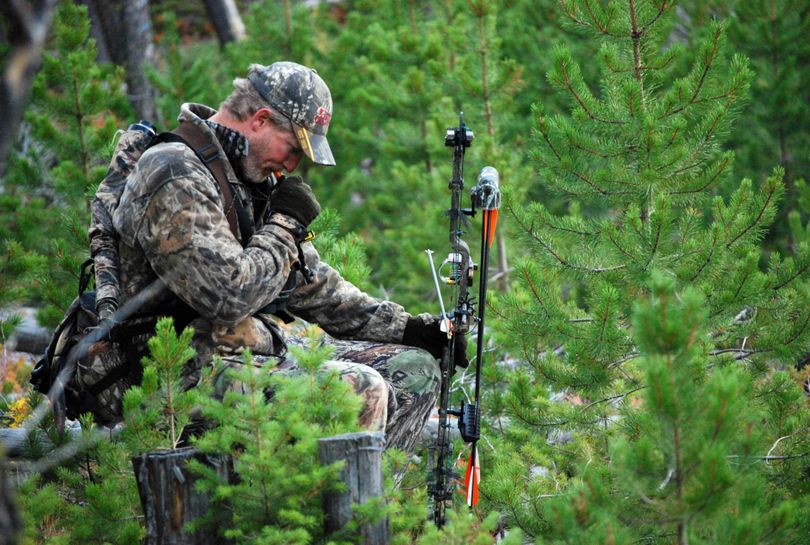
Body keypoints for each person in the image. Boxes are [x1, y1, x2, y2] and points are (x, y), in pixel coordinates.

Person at [108, 62, 465, 452]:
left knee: (414, 370)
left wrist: (408, 328)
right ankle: (340, 509)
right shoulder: (176, 172)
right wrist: (284, 223)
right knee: (360, 390)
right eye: (293, 148)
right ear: (260, 120)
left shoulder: (245, 175)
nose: (293, 166)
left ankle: (345, 500)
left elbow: (309, 283)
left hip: (241, 351)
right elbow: (228, 297)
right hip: (173, 372)